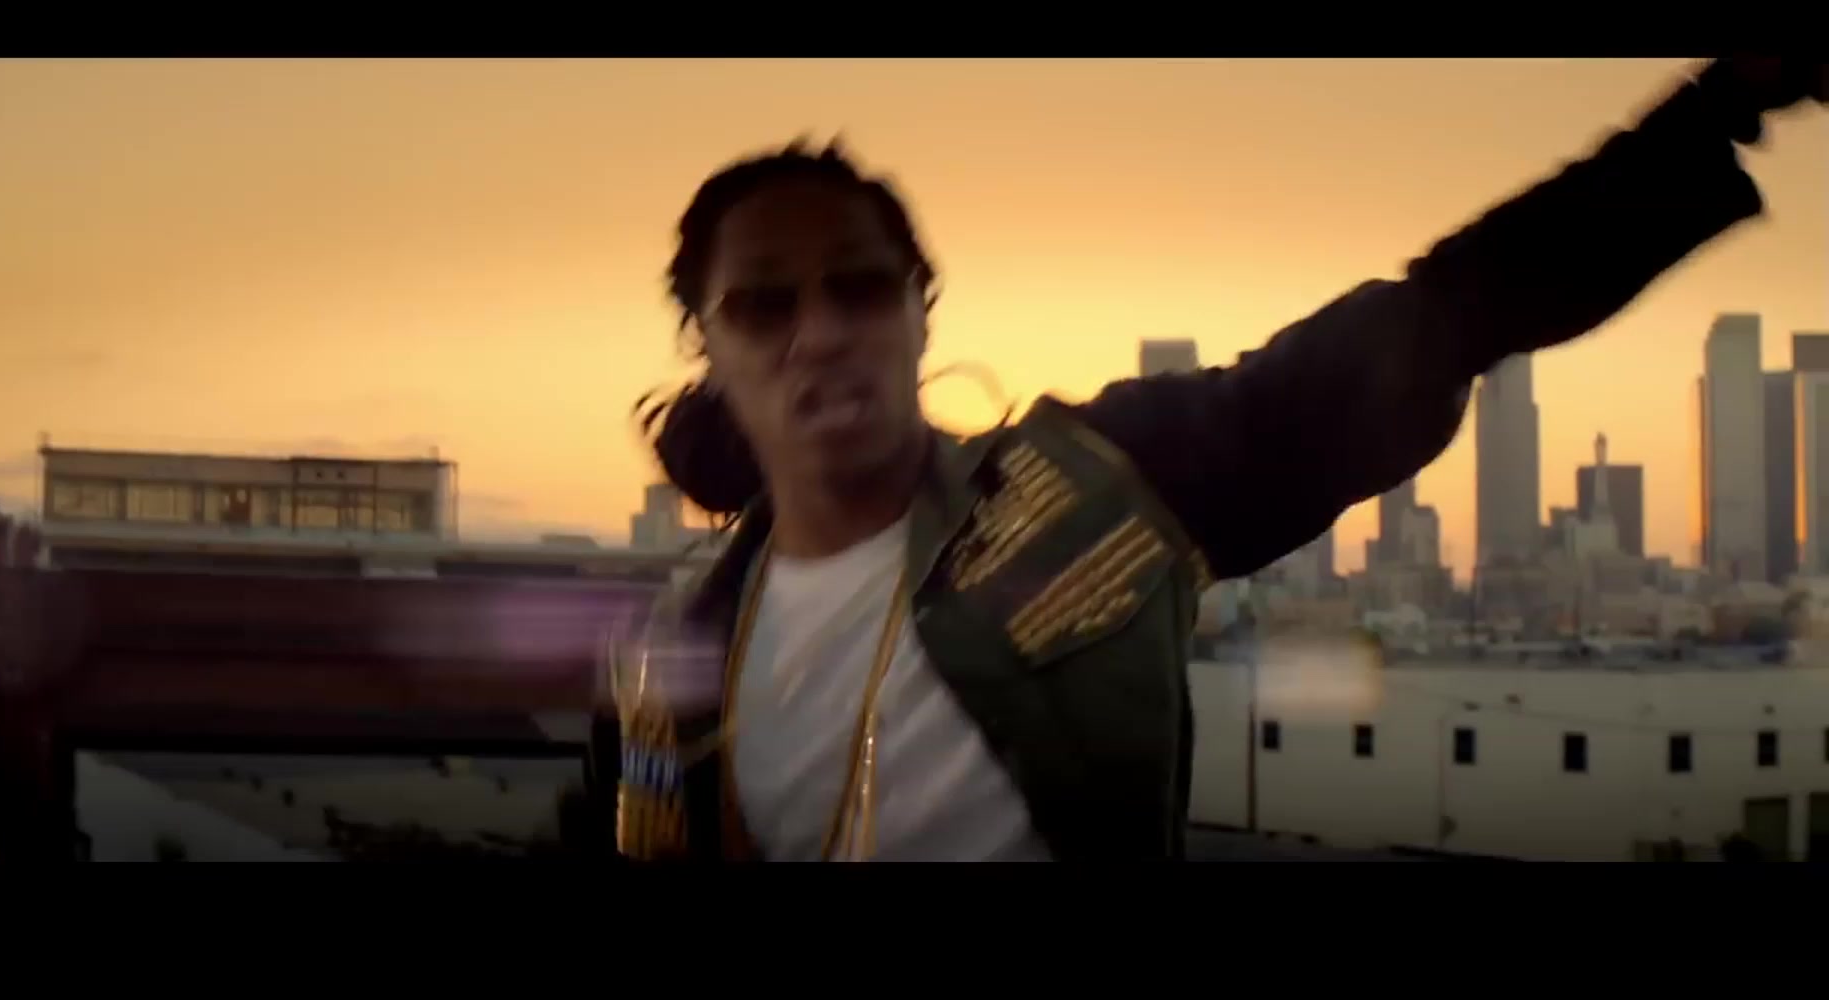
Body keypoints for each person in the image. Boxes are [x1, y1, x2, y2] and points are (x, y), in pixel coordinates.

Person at [578, 57, 1825, 862]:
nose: (819, 334)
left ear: (921, 309)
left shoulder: (1094, 494)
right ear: (707, 343)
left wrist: (1711, 115)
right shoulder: (666, 657)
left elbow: (1438, 319)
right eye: (764, 305)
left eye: (859, 288)